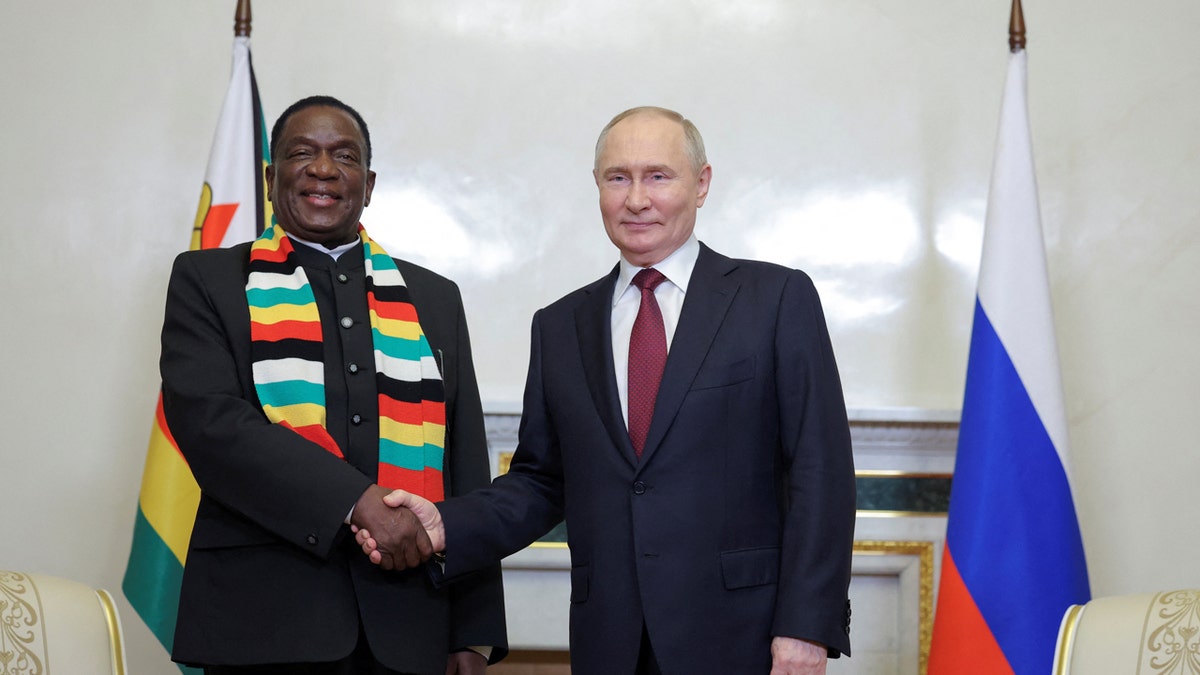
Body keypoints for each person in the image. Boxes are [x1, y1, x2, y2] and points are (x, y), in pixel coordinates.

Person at [360, 106, 856, 675]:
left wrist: (805, 628)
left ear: (702, 185)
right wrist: (444, 524)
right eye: (617, 178)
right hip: (611, 642)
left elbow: (821, 472)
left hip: (745, 638)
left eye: (658, 176)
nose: (636, 199)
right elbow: (540, 481)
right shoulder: (560, 325)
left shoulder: (775, 299)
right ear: (597, 187)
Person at [159, 95, 507, 674]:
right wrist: (356, 501)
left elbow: (464, 464)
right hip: (263, 622)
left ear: (368, 185)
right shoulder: (208, 281)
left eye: (343, 157)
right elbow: (212, 425)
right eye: (302, 154)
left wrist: (472, 632)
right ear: (272, 178)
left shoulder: (434, 298)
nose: (323, 169)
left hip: (410, 624)